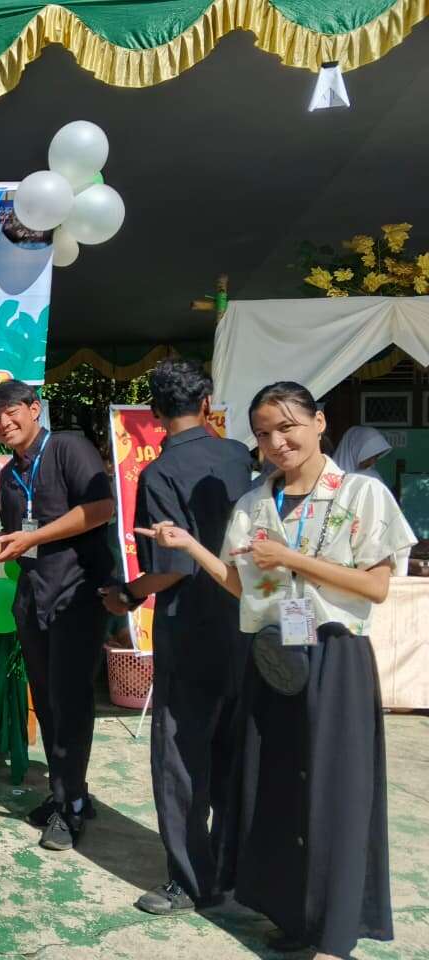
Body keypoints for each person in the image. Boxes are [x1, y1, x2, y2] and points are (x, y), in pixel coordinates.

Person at [137, 381, 415, 959]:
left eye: (287, 426)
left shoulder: (360, 494)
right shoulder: (254, 503)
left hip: (334, 656)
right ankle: (293, 915)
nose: (276, 442)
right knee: (278, 789)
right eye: (264, 434)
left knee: (335, 793)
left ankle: (332, 934)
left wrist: (290, 557)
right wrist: (189, 545)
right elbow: (242, 586)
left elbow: (375, 587)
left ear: (319, 422)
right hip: (272, 655)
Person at [0, 381, 114, 852]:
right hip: (33, 598)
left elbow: (101, 508)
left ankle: (71, 806)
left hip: (76, 595)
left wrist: (37, 537)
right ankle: (67, 792)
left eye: (10, 412)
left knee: (71, 703)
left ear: (33, 409)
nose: (2, 424)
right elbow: (12, 538)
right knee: (46, 701)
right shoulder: (9, 475)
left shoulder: (68, 448)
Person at [99, 360, 252, 916]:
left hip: (190, 630)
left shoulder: (160, 473)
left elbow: (170, 569)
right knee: (234, 752)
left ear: (155, 413)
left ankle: (190, 880)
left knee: (181, 757)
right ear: (207, 404)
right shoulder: (240, 457)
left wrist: (126, 594)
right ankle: (234, 874)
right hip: (246, 621)